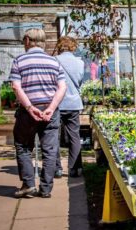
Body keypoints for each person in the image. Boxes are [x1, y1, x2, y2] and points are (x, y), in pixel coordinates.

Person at [9, 28, 67, 198]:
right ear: (43, 42)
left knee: (23, 146)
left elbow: (15, 86)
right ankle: (46, 189)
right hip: (50, 110)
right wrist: (51, 107)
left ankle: (28, 185)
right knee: (49, 150)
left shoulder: (19, 60)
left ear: (27, 40)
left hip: (28, 111)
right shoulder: (54, 62)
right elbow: (62, 87)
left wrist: (29, 107)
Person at [54, 36, 85, 178]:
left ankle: (57, 169)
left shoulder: (54, 61)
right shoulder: (79, 62)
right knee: (74, 136)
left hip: (57, 103)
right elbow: (79, 81)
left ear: (60, 46)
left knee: (53, 136)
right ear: (74, 47)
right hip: (73, 103)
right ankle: (73, 169)